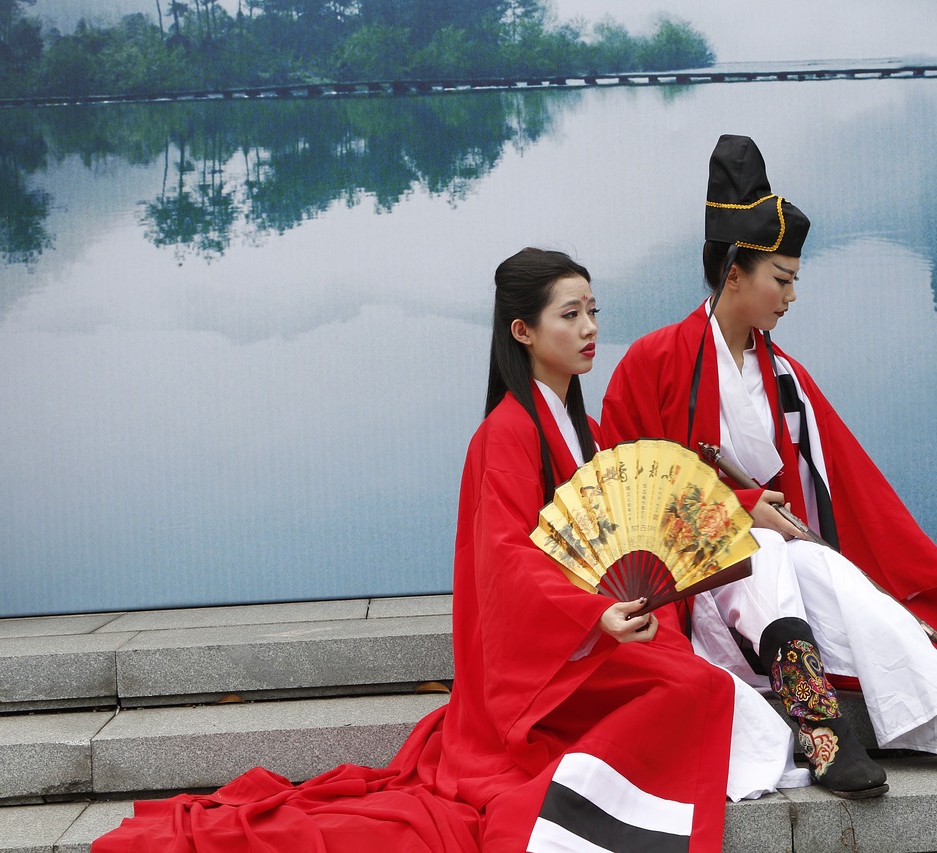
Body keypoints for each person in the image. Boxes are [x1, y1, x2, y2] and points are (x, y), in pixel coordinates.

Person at [92, 247, 814, 853]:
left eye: (594, 310)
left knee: (692, 676)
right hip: (544, 666)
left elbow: (644, 505)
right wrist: (591, 617)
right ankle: (583, 812)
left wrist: (739, 507)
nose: (591, 328)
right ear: (523, 331)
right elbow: (505, 563)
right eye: (572, 315)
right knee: (693, 687)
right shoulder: (505, 433)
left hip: (584, 645)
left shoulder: (580, 425)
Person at [601, 135, 937, 797]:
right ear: (735, 272)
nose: (791, 296)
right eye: (781, 280)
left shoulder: (784, 377)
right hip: (696, 586)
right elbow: (631, 503)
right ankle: (819, 725)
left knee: (833, 571)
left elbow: (857, 484)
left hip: (773, 578)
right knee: (762, 545)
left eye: (795, 281)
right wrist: (737, 510)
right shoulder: (652, 365)